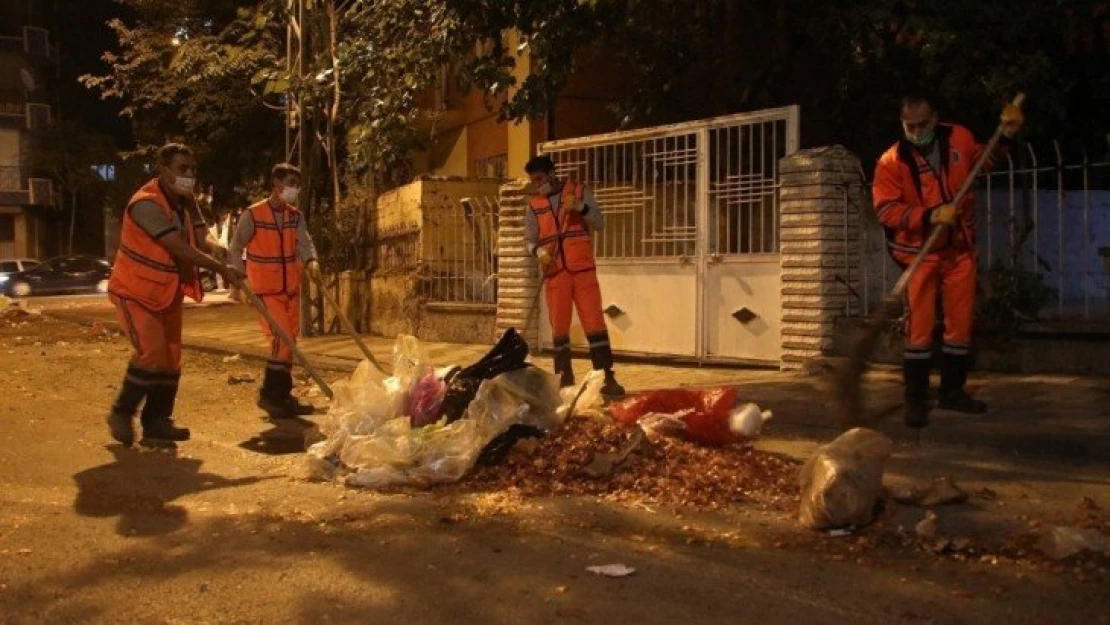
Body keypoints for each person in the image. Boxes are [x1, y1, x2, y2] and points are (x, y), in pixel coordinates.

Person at [872, 95, 1024, 427]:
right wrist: (929, 215)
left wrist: (1007, 134)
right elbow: (886, 210)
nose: (916, 131)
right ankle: (915, 398)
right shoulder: (891, 162)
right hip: (919, 255)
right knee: (920, 329)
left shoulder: (960, 138)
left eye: (922, 124)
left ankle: (952, 393)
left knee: (960, 324)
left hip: (959, 251)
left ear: (935, 118)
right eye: (908, 126)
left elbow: (987, 161)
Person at [105, 143, 243, 447]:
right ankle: (121, 412)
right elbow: (179, 247)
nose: (190, 175)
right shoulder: (145, 204)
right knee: (151, 353)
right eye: (183, 169)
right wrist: (221, 267)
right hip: (135, 290)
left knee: (170, 358)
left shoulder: (186, 201)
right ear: (164, 170)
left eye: (193, 169)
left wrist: (221, 250)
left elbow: (200, 235)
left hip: (165, 291)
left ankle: (157, 421)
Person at [523, 155, 625, 398]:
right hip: (555, 272)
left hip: (582, 271)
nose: (537, 184)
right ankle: (564, 379)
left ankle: (606, 377)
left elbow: (599, 222)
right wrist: (538, 252)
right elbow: (529, 240)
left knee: (594, 324)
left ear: (551, 173)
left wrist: (581, 208)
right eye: (533, 181)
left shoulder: (578, 191)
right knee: (559, 328)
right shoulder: (534, 205)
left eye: (539, 178)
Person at [228, 163, 320, 420]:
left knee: (289, 344)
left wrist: (312, 260)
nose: (294, 189)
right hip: (265, 291)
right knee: (281, 343)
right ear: (276, 185)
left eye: (296, 185)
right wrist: (241, 281)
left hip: (290, 290)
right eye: (290, 183)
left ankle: (282, 396)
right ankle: (270, 396)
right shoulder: (254, 214)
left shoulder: (295, 216)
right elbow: (235, 249)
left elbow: (305, 242)